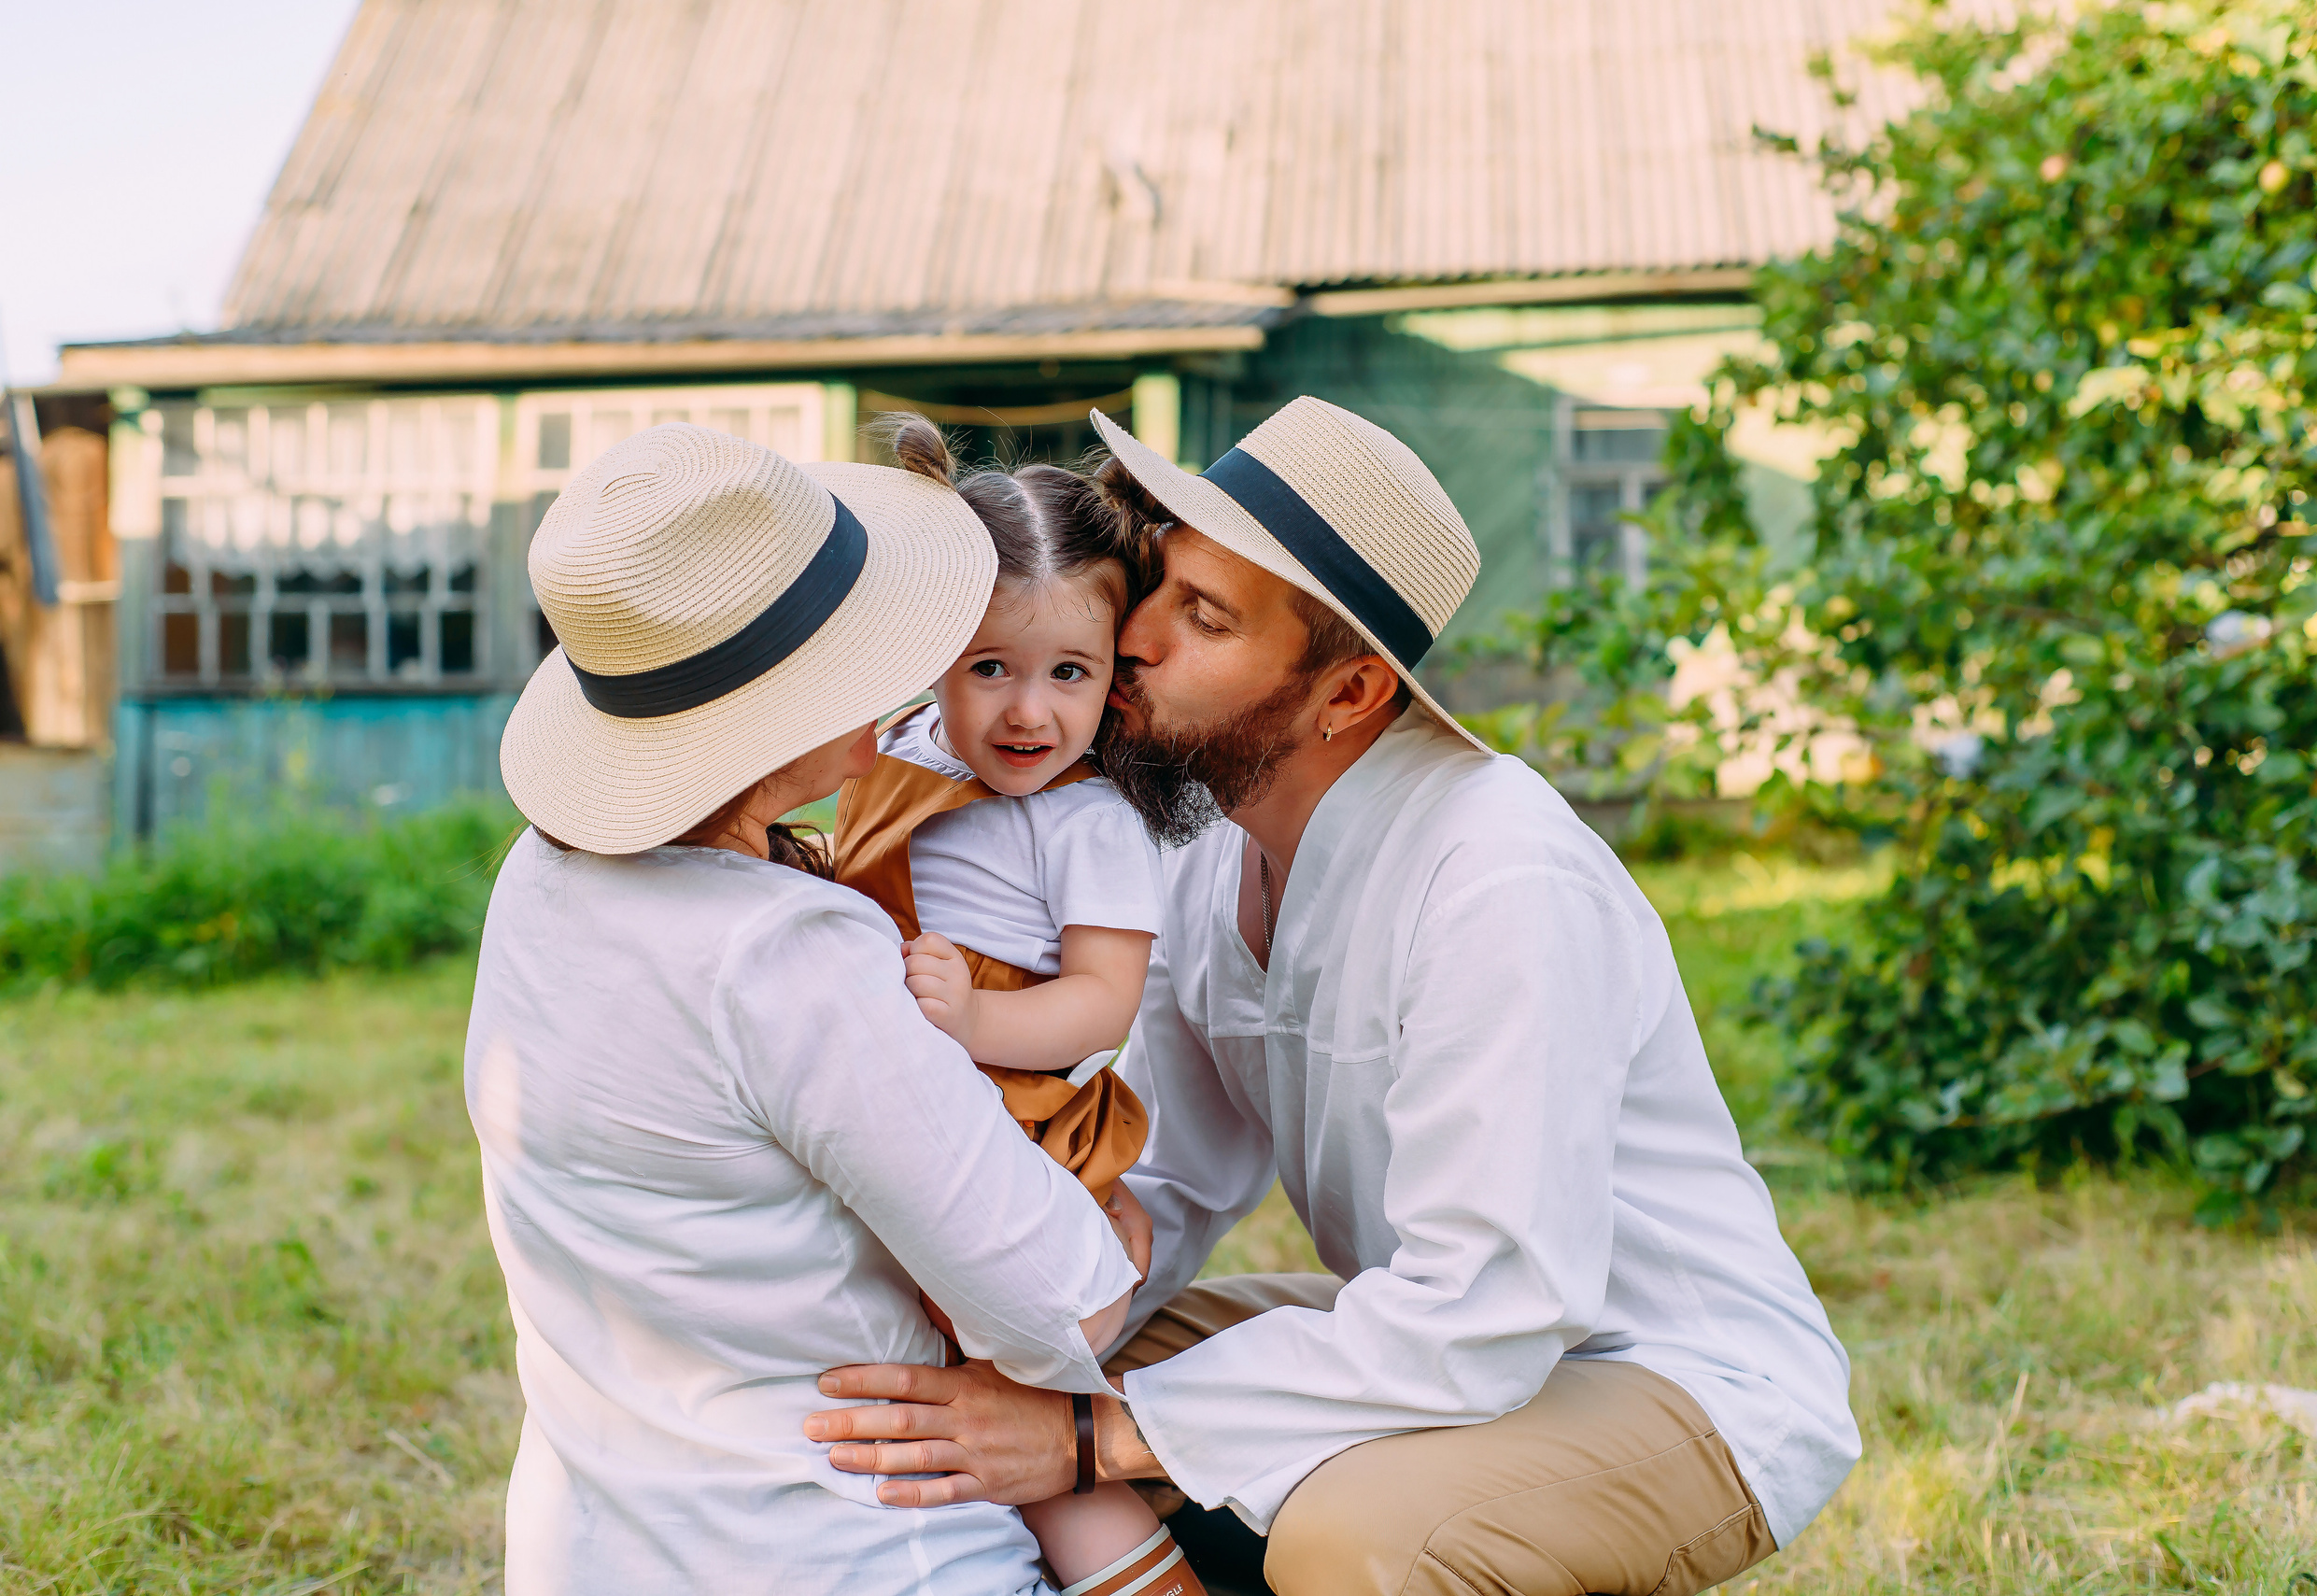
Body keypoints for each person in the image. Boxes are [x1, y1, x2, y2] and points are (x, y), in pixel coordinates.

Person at [802, 398, 1862, 1596]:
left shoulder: (1497, 874)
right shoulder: (1211, 857)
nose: (1134, 634)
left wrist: (1087, 1441)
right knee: (1045, 1365)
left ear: (1347, 694)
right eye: (1160, 583)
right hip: (1437, 1338)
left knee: (1356, 1545)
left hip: (1665, 1377)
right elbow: (1175, 1175)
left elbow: (1495, 1304)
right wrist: (1063, 1282)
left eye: (1203, 616)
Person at [465, 422, 1145, 1595]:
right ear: (794, 709)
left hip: (602, 1548)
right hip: (850, 1552)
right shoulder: (789, 953)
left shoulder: (537, 879)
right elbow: (1059, 1313)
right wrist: (1120, 1245)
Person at [830, 416, 1204, 1596]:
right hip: (915, 1092)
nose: (1026, 712)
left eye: (1069, 674)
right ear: (936, 653)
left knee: (1033, 1432)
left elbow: (1101, 1003)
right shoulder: (897, 748)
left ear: (1113, 677)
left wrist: (975, 1022)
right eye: (990, 667)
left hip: (1016, 1119)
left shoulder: (1085, 821)